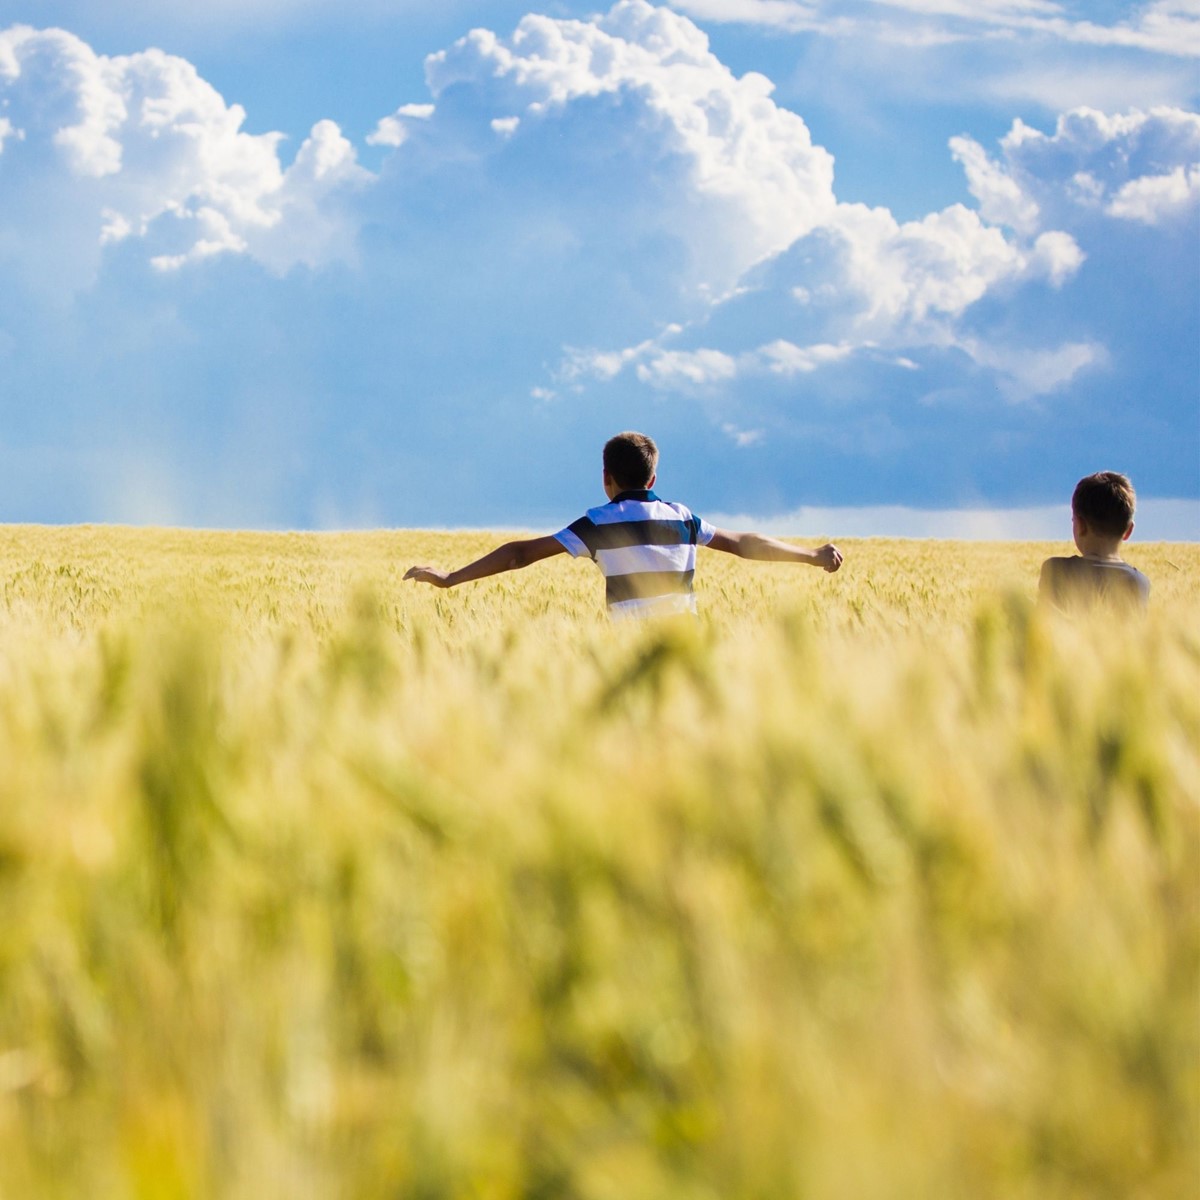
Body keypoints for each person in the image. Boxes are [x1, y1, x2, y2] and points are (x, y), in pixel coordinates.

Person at [403, 431, 843, 618]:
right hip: (687, 655)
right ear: (653, 479)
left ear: (606, 479)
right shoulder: (682, 517)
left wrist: (449, 578)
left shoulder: (599, 523)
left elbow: (520, 554)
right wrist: (811, 556)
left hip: (628, 656)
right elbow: (745, 544)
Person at [1038, 471, 1150, 613]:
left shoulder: (1055, 570)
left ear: (1080, 526)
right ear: (1129, 531)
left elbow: (1043, 628)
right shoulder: (1138, 582)